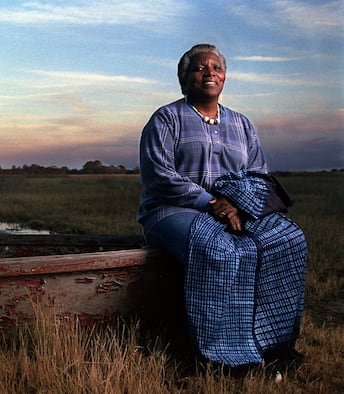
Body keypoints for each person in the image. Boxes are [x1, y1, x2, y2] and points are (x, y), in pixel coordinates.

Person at [137, 44, 307, 370]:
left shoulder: (242, 124)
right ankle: (217, 355)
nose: (209, 72)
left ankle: (271, 345)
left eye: (216, 67)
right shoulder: (166, 119)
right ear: (184, 79)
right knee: (220, 249)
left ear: (225, 77)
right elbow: (159, 177)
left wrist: (239, 206)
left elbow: (259, 175)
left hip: (236, 211)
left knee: (288, 240)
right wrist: (212, 202)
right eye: (199, 68)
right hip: (171, 210)